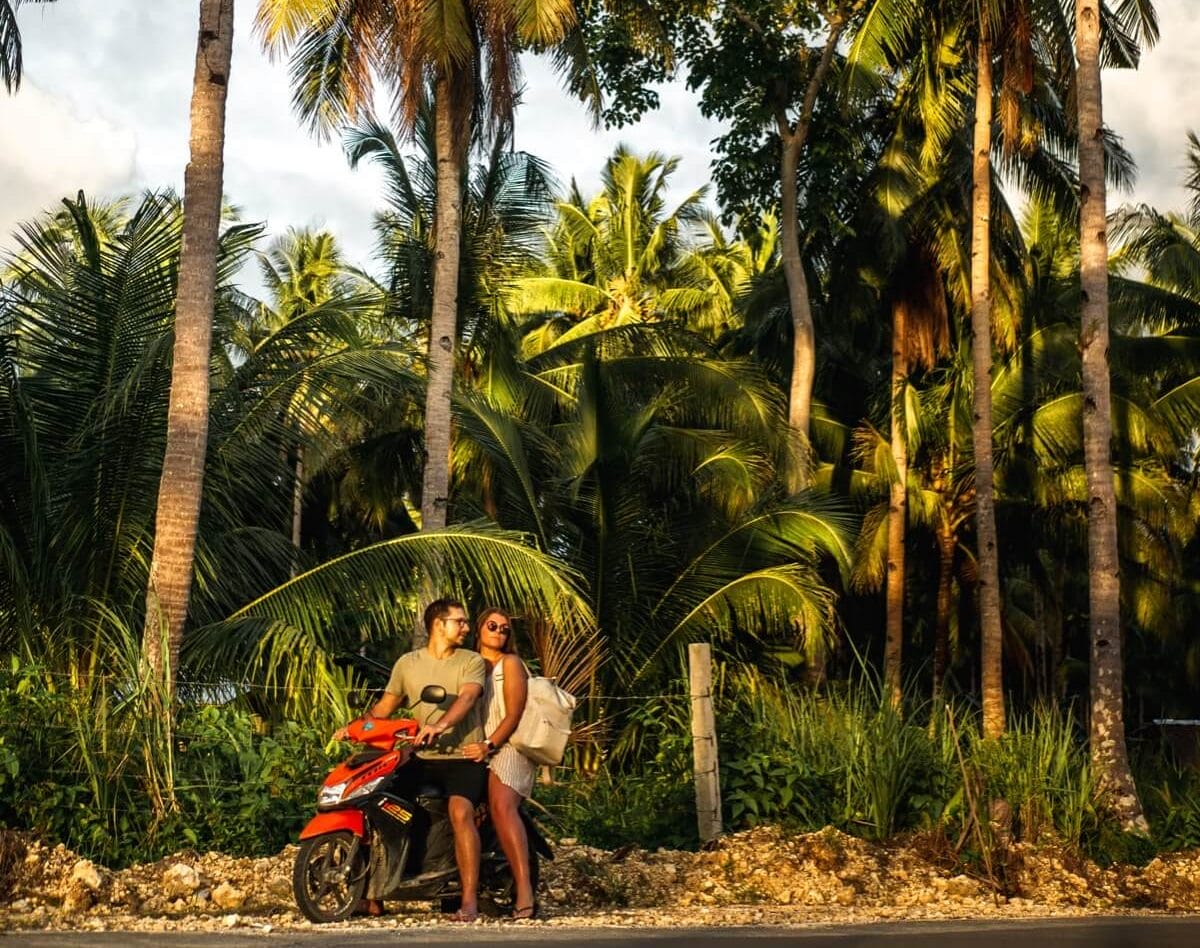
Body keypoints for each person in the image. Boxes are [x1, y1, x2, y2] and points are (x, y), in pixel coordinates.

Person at [332, 597, 487, 921]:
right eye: (459, 621)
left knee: (460, 812)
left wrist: (440, 725)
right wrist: (356, 728)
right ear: (438, 625)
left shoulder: (471, 660)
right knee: (376, 804)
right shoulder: (407, 663)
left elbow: (469, 697)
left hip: (462, 758)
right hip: (420, 757)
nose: (466, 627)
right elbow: (385, 708)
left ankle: (469, 901)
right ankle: (372, 895)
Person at [461, 607, 538, 919]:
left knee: (503, 807)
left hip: (508, 746)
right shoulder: (469, 664)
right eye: (492, 625)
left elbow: (514, 715)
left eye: (505, 629)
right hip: (475, 747)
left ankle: (525, 892)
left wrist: (489, 744)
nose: (498, 631)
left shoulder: (511, 664)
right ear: (479, 628)